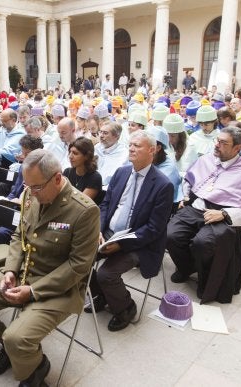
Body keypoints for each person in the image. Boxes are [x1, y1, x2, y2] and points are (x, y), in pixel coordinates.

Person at [0, 149, 99, 386]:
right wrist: (11, 269)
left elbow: (79, 266)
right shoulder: (32, 193)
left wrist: (32, 291)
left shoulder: (84, 210)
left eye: (36, 187)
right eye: (27, 186)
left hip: (59, 289)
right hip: (22, 274)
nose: (29, 192)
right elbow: (19, 235)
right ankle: (11, 352)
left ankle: (34, 370)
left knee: (17, 337)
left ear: (57, 178)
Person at [87, 131, 174, 331]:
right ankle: (101, 296)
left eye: (138, 146)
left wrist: (121, 244)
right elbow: (106, 205)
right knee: (79, 259)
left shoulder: (162, 185)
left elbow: (154, 229)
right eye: (131, 145)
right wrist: (99, 230)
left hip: (139, 242)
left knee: (106, 274)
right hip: (108, 233)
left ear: (152, 150)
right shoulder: (122, 172)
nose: (132, 148)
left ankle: (125, 307)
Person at [167, 126, 241, 303]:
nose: (217, 145)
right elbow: (190, 180)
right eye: (217, 141)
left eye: (223, 143)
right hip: (198, 207)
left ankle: (206, 282)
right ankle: (186, 267)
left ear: (237, 148)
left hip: (222, 215)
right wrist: (187, 197)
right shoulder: (206, 159)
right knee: (171, 235)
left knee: (203, 243)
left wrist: (224, 213)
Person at [63, 137, 103, 204]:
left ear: (87, 156)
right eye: (70, 152)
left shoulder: (95, 177)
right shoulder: (67, 172)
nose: (70, 156)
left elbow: (79, 204)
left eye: (75, 153)